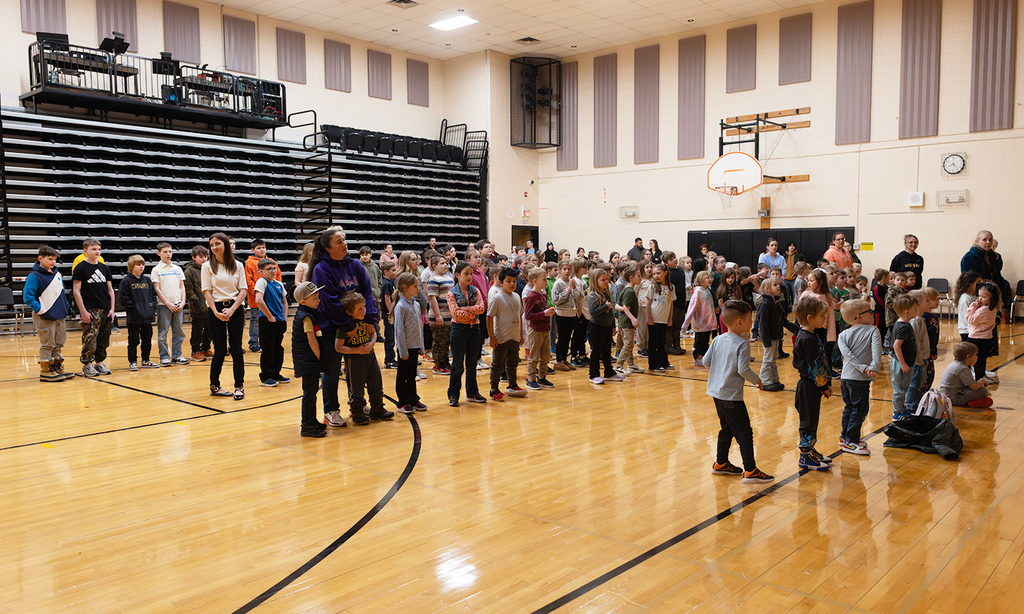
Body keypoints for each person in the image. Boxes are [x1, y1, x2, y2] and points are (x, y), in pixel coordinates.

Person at [310, 227, 380, 420]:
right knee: (332, 369)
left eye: (344, 240)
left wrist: (369, 318)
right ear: (328, 249)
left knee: (357, 368)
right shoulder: (321, 269)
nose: (344, 244)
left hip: (359, 324)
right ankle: (331, 410)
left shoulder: (355, 264)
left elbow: (368, 293)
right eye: (339, 242)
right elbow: (329, 302)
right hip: (333, 327)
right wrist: (349, 326)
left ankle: (357, 405)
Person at [703, 300, 773, 484]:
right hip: (731, 396)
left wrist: (720, 370)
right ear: (740, 322)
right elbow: (743, 370)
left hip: (716, 393)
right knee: (744, 432)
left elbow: (705, 362)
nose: (752, 323)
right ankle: (750, 470)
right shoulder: (742, 344)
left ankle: (720, 463)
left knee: (726, 428)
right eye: (751, 320)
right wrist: (757, 380)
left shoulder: (718, 339)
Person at [335, 292, 393, 425]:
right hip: (355, 360)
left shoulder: (366, 321)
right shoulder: (345, 326)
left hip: (370, 357)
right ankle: (357, 412)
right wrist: (357, 350)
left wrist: (372, 343)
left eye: (364, 307)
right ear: (349, 312)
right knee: (357, 387)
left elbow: (373, 334)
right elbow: (338, 347)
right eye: (359, 309)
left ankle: (377, 408)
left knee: (376, 382)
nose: (364, 311)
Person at [202, 233, 247, 400]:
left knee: (236, 349)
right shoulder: (207, 266)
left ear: (226, 245)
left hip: (235, 308)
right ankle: (215, 386)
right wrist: (216, 312)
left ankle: (239, 386)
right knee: (219, 350)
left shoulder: (238, 265)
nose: (214, 247)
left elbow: (243, 291)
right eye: (212, 244)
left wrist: (233, 309)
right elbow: (207, 292)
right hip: (215, 309)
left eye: (218, 244)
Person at [791, 296, 834, 471]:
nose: (824, 320)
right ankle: (805, 456)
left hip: (811, 386)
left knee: (812, 420)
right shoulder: (807, 339)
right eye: (822, 317)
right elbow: (814, 367)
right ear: (810, 317)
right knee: (808, 421)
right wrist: (824, 386)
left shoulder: (809, 334)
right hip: (809, 386)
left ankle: (810, 450)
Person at [837, 299, 882, 454]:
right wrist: (871, 368)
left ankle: (845, 436)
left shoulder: (842, 334)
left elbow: (847, 356)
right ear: (859, 317)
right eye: (869, 311)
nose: (872, 313)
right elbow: (877, 351)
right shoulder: (873, 330)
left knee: (849, 407)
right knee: (860, 410)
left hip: (845, 378)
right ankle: (850, 441)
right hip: (860, 379)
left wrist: (863, 368)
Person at [24, 246, 74, 382]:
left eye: (54, 259)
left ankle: (57, 367)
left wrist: (65, 308)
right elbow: (28, 296)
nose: (53, 262)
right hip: (45, 315)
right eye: (49, 259)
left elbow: (61, 293)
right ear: (40, 258)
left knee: (59, 342)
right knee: (48, 343)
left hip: (59, 314)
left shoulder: (57, 274)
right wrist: (40, 309)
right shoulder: (34, 276)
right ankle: (46, 370)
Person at [72, 238, 114, 378]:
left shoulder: (104, 267)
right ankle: (87, 364)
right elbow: (76, 291)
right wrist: (83, 310)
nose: (97, 252)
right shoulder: (81, 268)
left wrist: (112, 308)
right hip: (90, 309)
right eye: (93, 249)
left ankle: (99, 361)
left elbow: (110, 290)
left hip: (105, 308)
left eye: (98, 249)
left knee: (104, 337)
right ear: (85, 251)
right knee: (90, 338)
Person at [447, 261, 487, 406]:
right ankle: (453, 395)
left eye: (470, 274)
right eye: (466, 274)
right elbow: (456, 314)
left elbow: (481, 308)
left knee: (472, 364)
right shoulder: (451, 293)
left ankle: (472, 393)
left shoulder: (475, 291)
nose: (469, 276)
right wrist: (472, 310)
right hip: (459, 330)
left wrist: (466, 310)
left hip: (474, 330)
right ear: (457, 275)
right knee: (457, 365)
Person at [292, 282, 328, 437]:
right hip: (308, 361)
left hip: (307, 360)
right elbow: (312, 341)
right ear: (303, 302)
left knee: (312, 393)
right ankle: (307, 426)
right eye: (314, 298)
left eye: (318, 297)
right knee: (309, 394)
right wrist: (321, 358)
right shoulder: (306, 317)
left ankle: (311, 421)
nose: (318, 300)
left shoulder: (307, 313)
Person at [487, 268, 526, 400]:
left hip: (514, 337)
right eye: (508, 281)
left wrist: (521, 335)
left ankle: (512, 385)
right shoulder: (497, 298)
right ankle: (494, 389)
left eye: (514, 281)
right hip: (501, 338)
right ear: (500, 282)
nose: (512, 284)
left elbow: (520, 316)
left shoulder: (516, 296)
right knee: (498, 364)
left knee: (513, 363)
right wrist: (492, 338)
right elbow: (489, 317)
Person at [756, 278, 799, 391]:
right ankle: (765, 381)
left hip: (776, 336)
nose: (778, 286)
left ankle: (774, 380)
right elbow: (763, 324)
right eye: (775, 285)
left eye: (778, 284)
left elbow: (784, 320)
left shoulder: (776, 302)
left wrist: (797, 329)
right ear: (767, 289)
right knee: (768, 359)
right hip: (769, 337)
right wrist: (766, 340)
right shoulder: (765, 303)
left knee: (773, 359)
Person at [393, 272, 427, 414]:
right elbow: (399, 331)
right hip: (405, 348)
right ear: (405, 288)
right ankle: (403, 401)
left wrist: (422, 346)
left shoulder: (417, 304)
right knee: (403, 375)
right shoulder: (400, 306)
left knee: (412, 374)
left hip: (415, 346)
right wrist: (403, 351)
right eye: (415, 286)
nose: (417, 289)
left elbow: (419, 327)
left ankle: (413, 398)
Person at [119, 254, 158, 371]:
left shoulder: (147, 280)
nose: (141, 267)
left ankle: (146, 360)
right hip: (134, 318)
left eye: (142, 264)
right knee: (133, 341)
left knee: (147, 339)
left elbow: (153, 296)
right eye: (138, 265)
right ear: (131, 266)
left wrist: (152, 308)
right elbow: (124, 299)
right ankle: (133, 361)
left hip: (147, 317)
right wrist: (134, 310)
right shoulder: (126, 281)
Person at [152, 242, 189, 366]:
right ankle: (164, 357)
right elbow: (157, 289)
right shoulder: (156, 270)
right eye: (165, 252)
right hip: (164, 306)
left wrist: (183, 301)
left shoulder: (177, 269)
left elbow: (182, 286)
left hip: (178, 304)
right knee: (163, 333)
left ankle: (177, 355)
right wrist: (167, 303)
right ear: (158, 253)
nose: (168, 254)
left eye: (170, 251)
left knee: (178, 331)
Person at [254, 258, 289, 388]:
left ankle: (275, 374)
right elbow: (259, 300)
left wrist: (284, 317)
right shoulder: (261, 282)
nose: (272, 271)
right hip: (267, 321)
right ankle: (265, 377)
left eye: (274, 268)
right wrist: (269, 316)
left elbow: (284, 302)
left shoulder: (279, 284)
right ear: (261, 270)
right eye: (269, 269)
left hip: (279, 321)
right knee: (268, 349)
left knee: (277, 348)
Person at [587, 265, 623, 384]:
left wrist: (613, 325)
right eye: (602, 280)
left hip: (607, 326)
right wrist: (605, 307)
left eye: (606, 279)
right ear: (595, 281)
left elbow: (611, 310)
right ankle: (593, 374)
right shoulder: (593, 295)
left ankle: (609, 372)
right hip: (597, 327)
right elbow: (593, 312)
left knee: (607, 350)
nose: (606, 282)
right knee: (597, 351)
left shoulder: (606, 293)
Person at [524, 267, 556, 390]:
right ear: (535, 281)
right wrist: (544, 314)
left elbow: (544, 310)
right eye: (543, 279)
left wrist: (549, 312)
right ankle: (530, 379)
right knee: (534, 356)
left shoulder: (543, 293)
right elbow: (528, 315)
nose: (546, 281)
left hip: (545, 328)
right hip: (536, 330)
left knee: (546, 356)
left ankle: (542, 377)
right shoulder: (531, 296)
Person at [890, 293, 919, 420]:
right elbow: (897, 346)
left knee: (903, 387)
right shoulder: (904, 327)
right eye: (915, 309)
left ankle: (902, 409)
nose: (917, 310)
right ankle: (897, 413)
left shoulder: (902, 323)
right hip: (901, 363)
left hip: (904, 361)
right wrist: (902, 363)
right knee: (900, 388)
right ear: (907, 312)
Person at [244, 239, 276, 353]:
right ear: (253, 250)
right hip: (256, 298)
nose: (262, 249)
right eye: (258, 248)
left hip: (271, 297)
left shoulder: (271, 261)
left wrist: (275, 292)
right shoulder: (249, 262)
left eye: (263, 247)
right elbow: (248, 280)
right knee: (255, 319)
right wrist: (258, 292)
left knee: (270, 318)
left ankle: (268, 341)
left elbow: (277, 277)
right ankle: (253, 343)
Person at [940, 342, 993, 408]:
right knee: (983, 391)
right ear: (968, 357)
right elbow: (974, 387)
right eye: (975, 355)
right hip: (954, 399)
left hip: (946, 396)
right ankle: (973, 402)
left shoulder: (956, 364)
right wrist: (982, 381)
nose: (977, 357)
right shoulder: (963, 368)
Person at [966, 282, 1000, 383]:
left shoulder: (983, 310)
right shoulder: (992, 309)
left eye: (983, 297)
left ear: (992, 298)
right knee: (981, 361)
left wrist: (972, 307)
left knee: (971, 361)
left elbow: (970, 319)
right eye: (979, 295)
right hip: (987, 338)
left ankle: (975, 382)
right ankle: (980, 382)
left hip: (976, 338)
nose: (980, 299)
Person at [426, 255, 454, 375]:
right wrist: (438, 315)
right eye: (442, 263)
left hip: (449, 316)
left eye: (446, 263)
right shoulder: (433, 279)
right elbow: (432, 298)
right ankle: (438, 365)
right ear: (434, 266)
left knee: (446, 341)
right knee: (439, 342)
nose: (445, 265)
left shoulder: (449, 278)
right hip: (439, 316)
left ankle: (445, 362)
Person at [682, 270, 716, 368]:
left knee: (706, 341)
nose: (710, 279)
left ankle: (705, 357)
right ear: (700, 280)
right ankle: (698, 357)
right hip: (701, 323)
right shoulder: (698, 292)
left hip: (708, 324)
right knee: (699, 341)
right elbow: (691, 309)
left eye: (711, 277)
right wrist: (685, 325)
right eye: (707, 277)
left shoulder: (707, 290)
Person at [184, 245, 212, 361]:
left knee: (209, 330)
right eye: (201, 257)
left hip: (210, 305)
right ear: (194, 257)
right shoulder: (189, 271)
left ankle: (206, 349)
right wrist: (197, 302)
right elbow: (188, 289)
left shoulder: (209, 268)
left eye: (205, 256)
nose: (204, 259)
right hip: (197, 307)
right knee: (197, 331)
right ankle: (196, 350)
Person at [614, 265, 642, 374]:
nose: (640, 278)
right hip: (626, 323)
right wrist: (633, 319)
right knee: (629, 345)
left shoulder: (626, 289)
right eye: (638, 276)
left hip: (622, 322)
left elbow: (617, 306)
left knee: (627, 344)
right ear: (631, 278)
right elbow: (625, 307)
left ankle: (631, 365)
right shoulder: (630, 291)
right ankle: (619, 366)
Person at [663, 251, 687, 355]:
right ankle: (668, 345)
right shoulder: (666, 273)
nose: (675, 260)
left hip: (681, 302)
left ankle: (677, 344)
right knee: (670, 325)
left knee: (678, 324)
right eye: (671, 259)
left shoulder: (681, 270)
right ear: (666, 262)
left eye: (675, 258)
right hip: (672, 303)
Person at [954, 271, 981, 342]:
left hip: (973, 329)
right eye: (978, 282)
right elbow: (967, 317)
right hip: (966, 331)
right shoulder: (965, 298)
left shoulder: (974, 296)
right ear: (970, 284)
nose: (980, 285)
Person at [380, 261, 398, 368]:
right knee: (390, 339)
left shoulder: (391, 282)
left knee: (392, 338)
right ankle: (389, 360)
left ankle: (391, 358)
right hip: (389, 317)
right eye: (393, 270)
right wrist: (392, 313)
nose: (395, 272)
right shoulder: (387, 283)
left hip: (391, 316)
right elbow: (387, 300)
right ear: (386, 272)